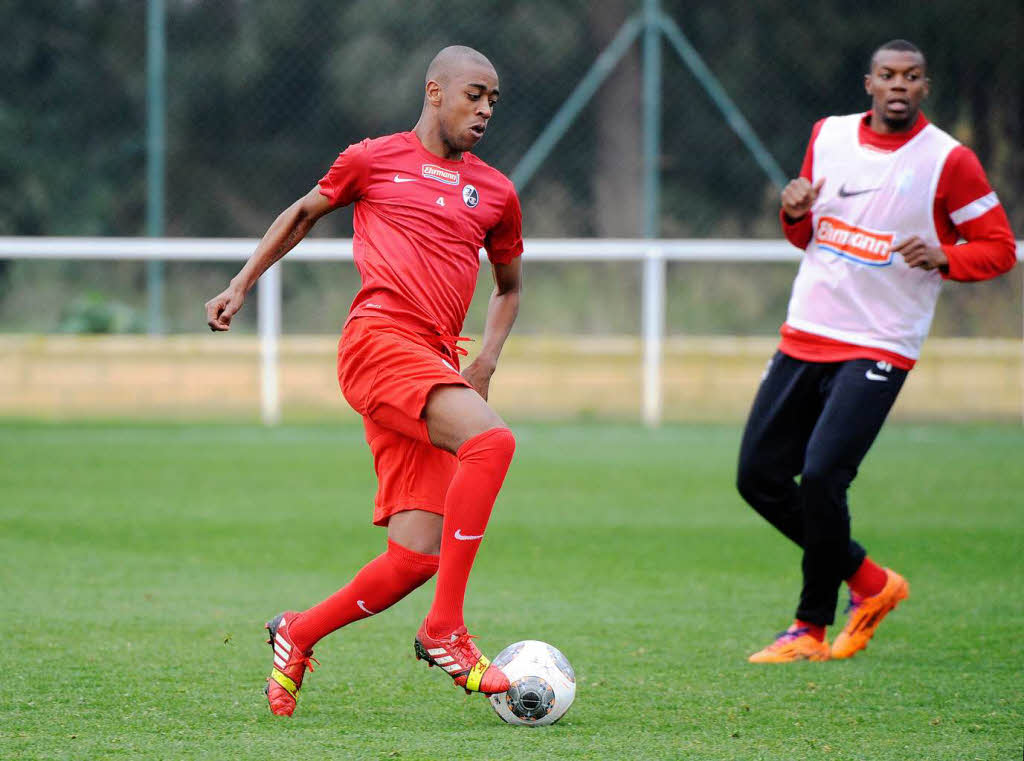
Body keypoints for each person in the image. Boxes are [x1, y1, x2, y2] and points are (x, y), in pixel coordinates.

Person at [205, 45, 524, 714]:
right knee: (491, 443)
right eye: (475, 94)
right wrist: (240, 283)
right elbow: (300, 214)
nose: (486, 108)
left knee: (413, 558)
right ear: (434, 91)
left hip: (432, 360)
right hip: (378, 341)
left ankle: (297, 631)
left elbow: (508, 286)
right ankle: (446, 630)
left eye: (494, 99)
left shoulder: (495, 191)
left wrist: (486, 358)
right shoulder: (373, 158)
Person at [737, 39, 1017, 663]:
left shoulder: (950, 160)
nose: (899, 85)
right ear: (869, 82)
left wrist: (948, 256)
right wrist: (793, 212)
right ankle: (870, 584)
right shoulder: (829, 135)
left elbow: (997, 247)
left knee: (824, 476)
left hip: (880, 343)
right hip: (807, 330)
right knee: (757, 476)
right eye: (888, 75)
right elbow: (805, 236)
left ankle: (808, 629)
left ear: (924, 87)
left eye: (911, 77)